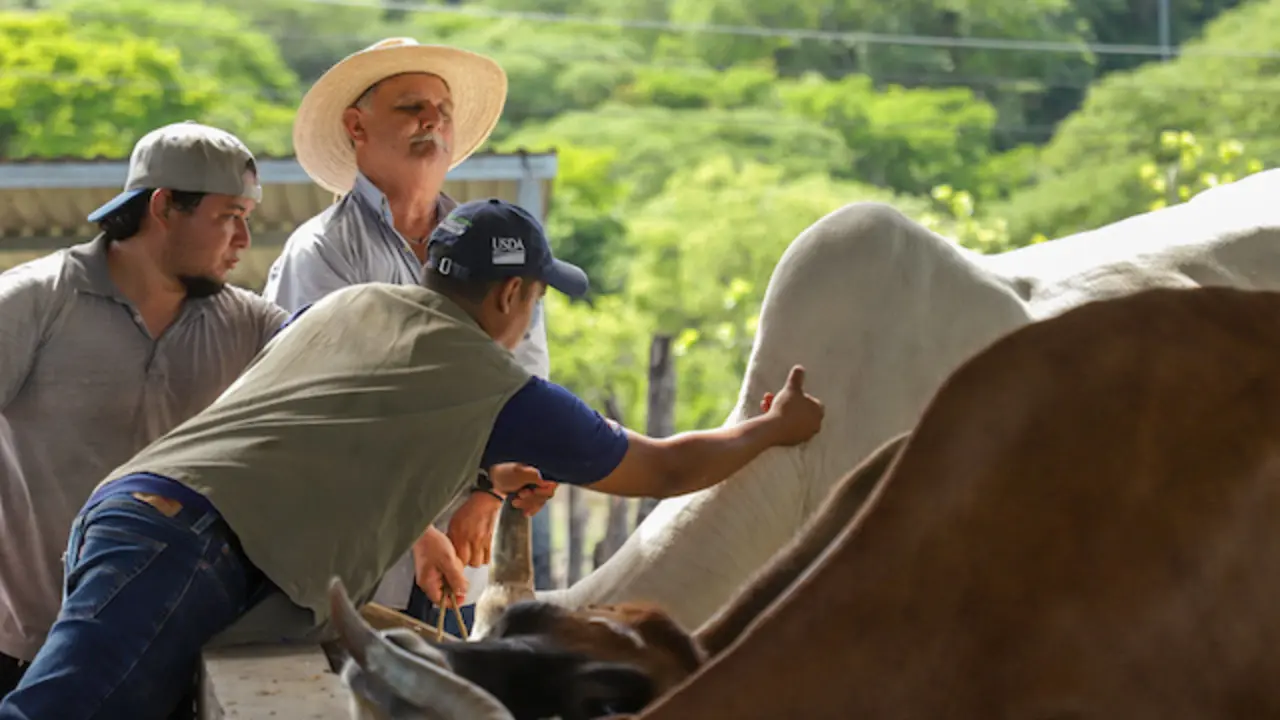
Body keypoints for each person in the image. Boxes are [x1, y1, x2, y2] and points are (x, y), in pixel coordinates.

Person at [0, 197, 825, 719]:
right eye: (535, 298)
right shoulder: (494, 381)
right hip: (195, 546)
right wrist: (774, 428)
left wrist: (478, 473)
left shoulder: (351, 304)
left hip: (137, 509)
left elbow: (327, 418)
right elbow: (665, 470)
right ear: (511, 294)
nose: (527, 316)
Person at [261, 36, 544, 631]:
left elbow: (525, 381)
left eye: (442, 110)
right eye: (411, 107)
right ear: (356, 126)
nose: (432, 120)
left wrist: (488, 494)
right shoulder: (322, 252)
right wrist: (414, 532)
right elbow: (315, 408)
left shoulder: (494, 246)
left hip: (464, 554)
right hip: (348, 561)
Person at [0, 121, 288, 700]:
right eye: (229, 216)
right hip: (27, 648)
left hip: (173, 656)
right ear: (163, 206)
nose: (243, 239)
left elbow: (339, 398)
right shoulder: (35, 301)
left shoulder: (253, 326)